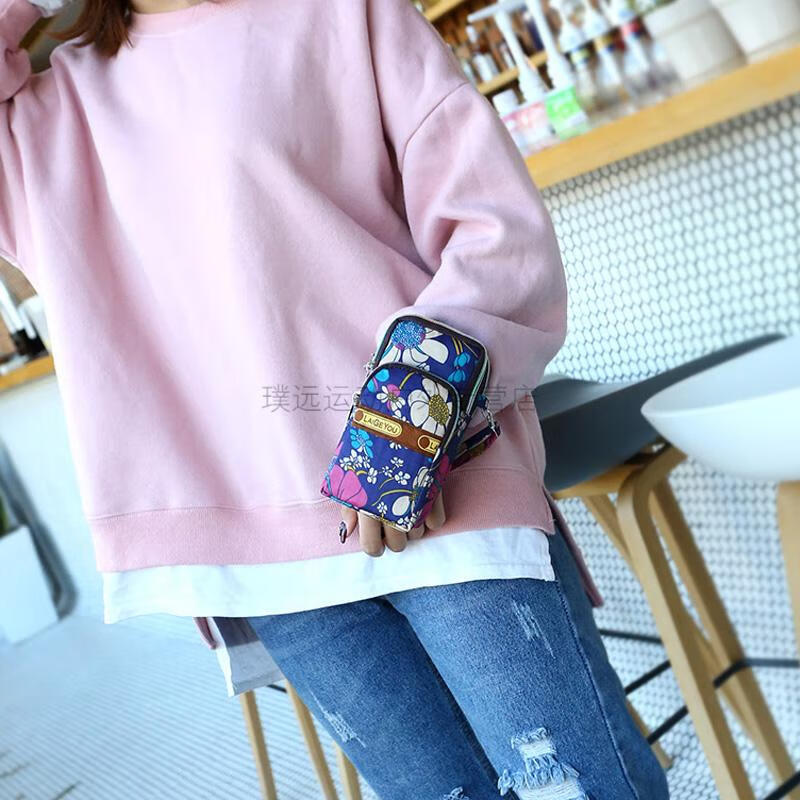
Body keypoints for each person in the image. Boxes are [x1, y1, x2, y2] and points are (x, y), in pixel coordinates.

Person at [0, 0, 670, 796]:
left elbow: (496, 233)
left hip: (436, 494)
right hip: (266, 561)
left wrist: (399, 436)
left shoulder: (343, 14)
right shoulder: (43, 121)